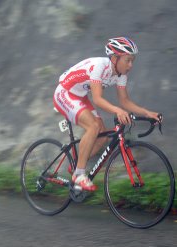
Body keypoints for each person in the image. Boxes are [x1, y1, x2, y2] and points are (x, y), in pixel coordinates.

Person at [53, 37, 161, 191]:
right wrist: (118, 111)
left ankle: (77, 165)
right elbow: (97, 99)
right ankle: (79, 174)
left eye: (132, 61)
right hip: (64, 93)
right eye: (128, 60)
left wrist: (147, 112)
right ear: (115, 58)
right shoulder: (99, 67)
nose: (130, 65)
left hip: (80, 96)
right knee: (93, 127)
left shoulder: (121, 74)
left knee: (102, 134)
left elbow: (124, 101)